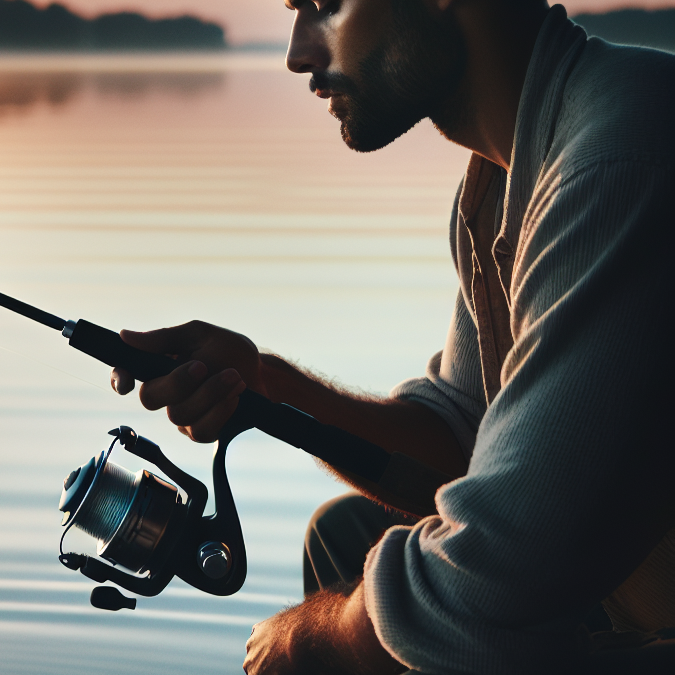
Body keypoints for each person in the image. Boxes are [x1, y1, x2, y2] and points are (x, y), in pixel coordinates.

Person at [109, 1, 674, 673]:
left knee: (367, 616)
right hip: (619, 598)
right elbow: (464, 441)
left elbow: (491, 581)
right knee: (346, 537)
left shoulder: (618, 160)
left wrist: (302, 641)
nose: (298, 53)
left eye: (323, 6)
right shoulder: (504, 177)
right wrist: (262, 387)